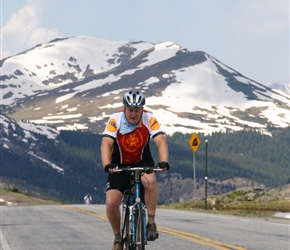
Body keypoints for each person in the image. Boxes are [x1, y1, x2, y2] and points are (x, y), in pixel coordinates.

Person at [101, 90, 170, 250]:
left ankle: (151, 222)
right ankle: (118, 238)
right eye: (130, 110)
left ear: (142, 110)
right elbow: (106, 144)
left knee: (151, 181)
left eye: (137, 111)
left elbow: (161, 142)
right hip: (119, 163)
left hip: (142, 160)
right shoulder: (115, 119)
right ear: (124, 108)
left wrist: (164, 161)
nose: (133, 114)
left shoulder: (149, 118)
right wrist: (107, 164)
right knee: (111, 203)